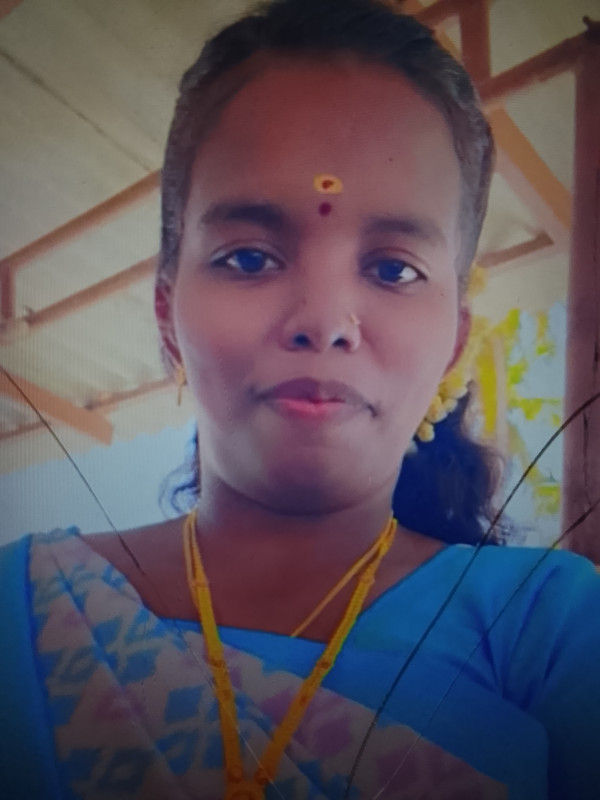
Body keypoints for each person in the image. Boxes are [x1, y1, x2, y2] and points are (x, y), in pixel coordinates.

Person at [1, 0, 599, 798]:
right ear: (167, 315)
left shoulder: (552, 626)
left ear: (453, 342)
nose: (324, 321)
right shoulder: (22, 607)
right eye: (249, 257)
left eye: (394, 269)